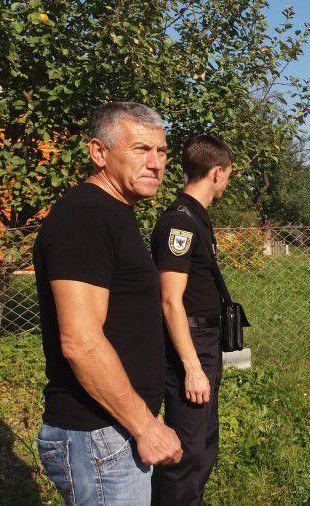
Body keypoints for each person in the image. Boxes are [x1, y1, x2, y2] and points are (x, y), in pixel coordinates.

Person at [33, 102, 182, 505]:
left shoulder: (114, 213)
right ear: (99, 152)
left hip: (114, 428)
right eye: (140, 149)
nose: (156, 163)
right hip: (97, 435)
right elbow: (81, 343)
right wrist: (145, 427)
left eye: (161, 151)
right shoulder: (85, 216)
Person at [151, 134, 234, 505]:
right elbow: (170, 301)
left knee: (203, 443)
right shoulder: (179, 223)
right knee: (186, 451)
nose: (227, 181)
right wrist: (192, 367)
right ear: (216, 172)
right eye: (228, 173)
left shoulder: (197, 218)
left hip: (205, 342)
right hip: (190, 344)